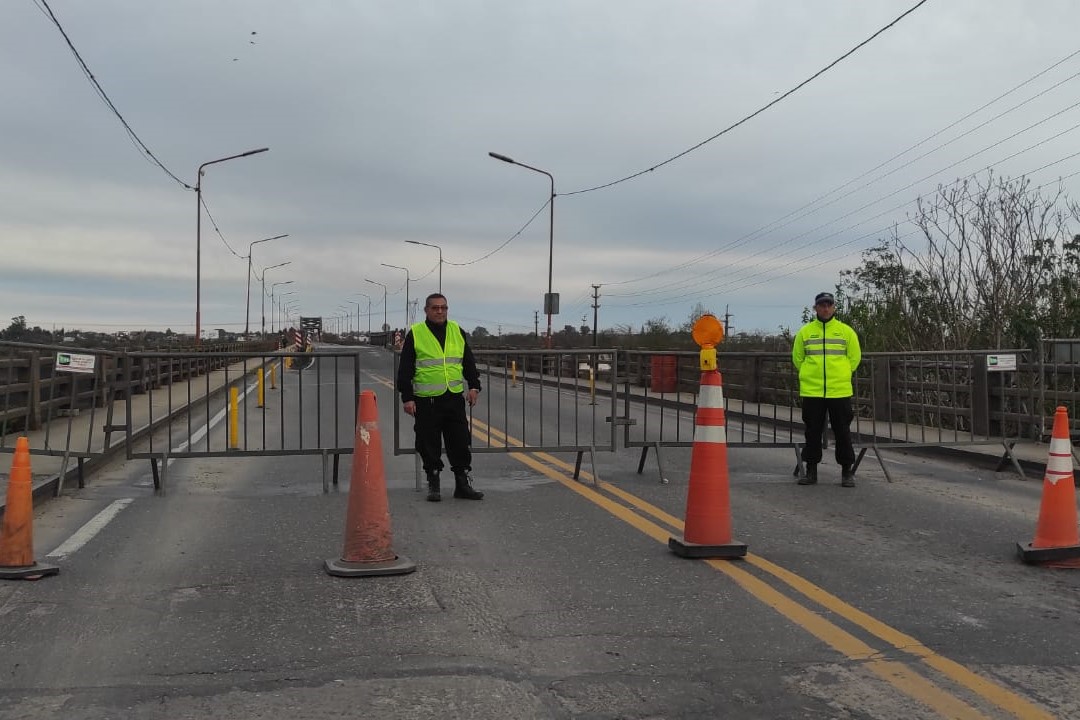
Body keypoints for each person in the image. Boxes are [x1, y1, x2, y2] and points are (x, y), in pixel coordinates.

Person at [396, 293, 484, 502]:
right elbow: (405, 369)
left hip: (453, 398)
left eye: (443, 307)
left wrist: (474, 386)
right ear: (426, 310)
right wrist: (407, 398)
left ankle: (462, 484)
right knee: (429, 443)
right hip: (427, 400)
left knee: (460, 441)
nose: (439, 311)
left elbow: (468, 362)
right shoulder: (416, 334)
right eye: (435, 308)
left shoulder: (456, 330)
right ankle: (433, 483)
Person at [792, 291, 862, 487]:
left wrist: (843, 372)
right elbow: (798, 358)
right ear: (815, 307)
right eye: (822, 305)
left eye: (829, 305)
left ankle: (847, 472)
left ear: (834, 307)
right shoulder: (805, 332)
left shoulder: (846, 331)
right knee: (812, 431)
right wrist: (809, 373)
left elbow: (854, 357)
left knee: (842, 431)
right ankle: (811, 471)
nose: (825, 308)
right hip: (812, 391)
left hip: (839, 390)